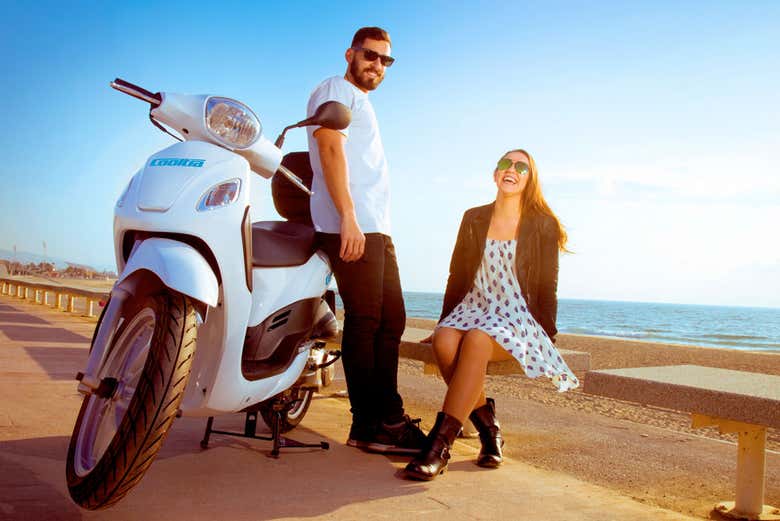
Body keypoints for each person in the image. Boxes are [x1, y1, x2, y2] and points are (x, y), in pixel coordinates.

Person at [403, 149, 579, 481]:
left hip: (515, 315)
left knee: (478, 341)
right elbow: (457, 274)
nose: (510, 169)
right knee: (444, 342)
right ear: (495, 173)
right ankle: (488, 427)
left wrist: (545, 335)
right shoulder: (473, 217)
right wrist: (444, 321)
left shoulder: (543, 225)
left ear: (530, 178)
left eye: (520, 166)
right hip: (472, 306)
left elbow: (547, 284)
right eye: (504, 164)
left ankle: (438, 447)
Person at [306, 27, 426, 454]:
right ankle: (376, 423)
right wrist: (349, 217)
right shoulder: (336, 89)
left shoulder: (361, 100)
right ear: (350, 54)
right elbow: (330, 150)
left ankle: (379, 421)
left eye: (385, 60)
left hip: (375, 227)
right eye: (370, 56)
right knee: (366, 320)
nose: (377, 65)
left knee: (391, 321)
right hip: (352, 226)